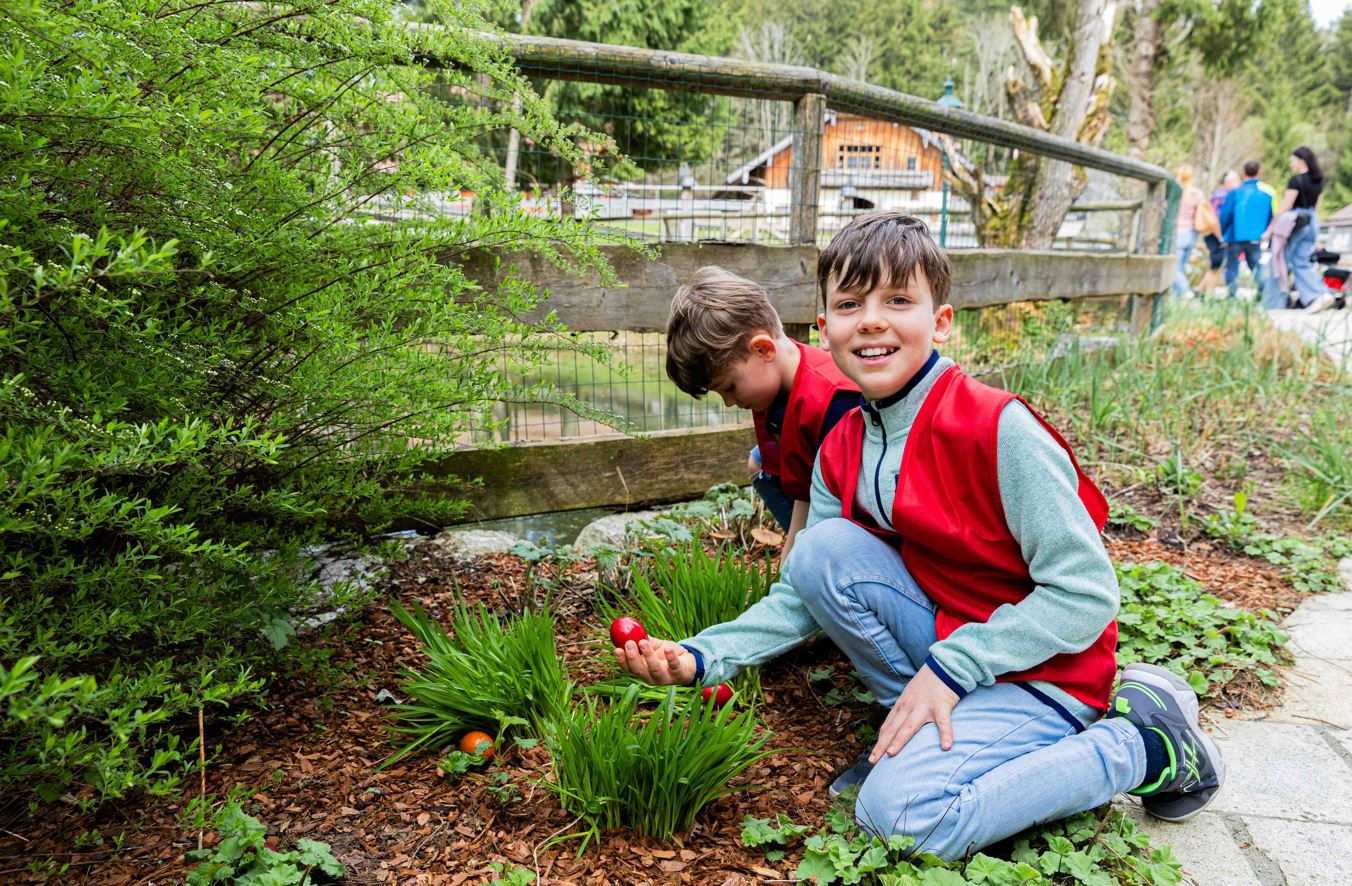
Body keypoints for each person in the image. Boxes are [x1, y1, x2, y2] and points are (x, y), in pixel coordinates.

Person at [620, 213, 1225, 860]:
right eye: (851, 304)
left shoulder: (997, 429)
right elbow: (802, 592)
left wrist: (953, 667)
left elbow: (1086, 595)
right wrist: (703, 655)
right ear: (825, 329)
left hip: (1046, 668)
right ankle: (915, 732)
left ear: (941, 322)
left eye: (898, 300)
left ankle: (1143, 746)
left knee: (897, 814)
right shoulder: (843, 446)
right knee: (822, 552)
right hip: (950, 639)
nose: (873, 320)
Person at [665, 266, 859, 558]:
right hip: (815, 484)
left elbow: (819, 496)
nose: (729, 402)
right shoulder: (777, 382)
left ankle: (814, 560)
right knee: (759, 463)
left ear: (763, 350)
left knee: (801, 557)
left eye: (730, 387)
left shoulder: (836, 403)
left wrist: (789, 561)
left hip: (852, 512)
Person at [1274, 146, 1335, 313]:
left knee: (1296, 260)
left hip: (1297, 222)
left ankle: (1316, 294)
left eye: (1292, 160)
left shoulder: (1296, 181)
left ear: (1301, 161)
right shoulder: (1318, 181)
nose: (1290, 163)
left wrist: (1272, 226)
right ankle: (1317, 294)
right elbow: (1317, 207)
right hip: (1313, 221)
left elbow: (1286, 205)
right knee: (1304, 259)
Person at [1219, 161, 1274, 302]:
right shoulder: (1266, 196)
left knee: (1232, 267)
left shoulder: (1234, 193)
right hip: (1255, 237)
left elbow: (1225, 215)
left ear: (1244, 173)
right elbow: (1269, 218)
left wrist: (1222, 234)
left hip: (1234, 236)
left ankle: (1231, 296)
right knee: (1256, 267)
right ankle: (1263, 295)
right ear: (1259, 172)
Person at [1198, 170, 1239, 295]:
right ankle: (1207, 292)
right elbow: (1215, 220)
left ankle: (1201, 289)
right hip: (1216, 233)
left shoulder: (1220, 194)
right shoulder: (1223, 196)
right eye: (1236, 180)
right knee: (1218, 264)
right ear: (1228, 182)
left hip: (1214, 233)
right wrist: (1221, 237)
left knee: (1217, 264)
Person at [1171, 164, 1206, 298]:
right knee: (1180, 267)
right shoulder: (1197, 194)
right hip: (1192, 233)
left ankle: (1186, 292)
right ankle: (1175, 299)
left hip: (1178, 232)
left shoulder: (1175, 191)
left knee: (1174, 269)